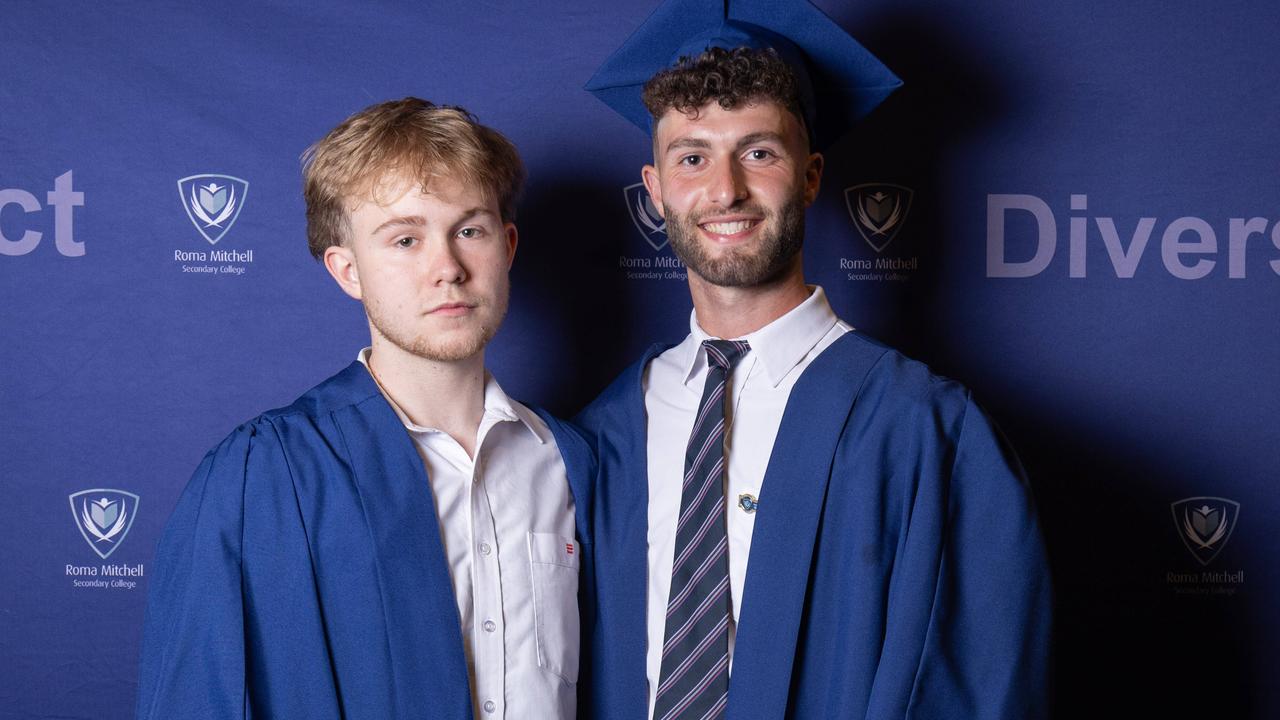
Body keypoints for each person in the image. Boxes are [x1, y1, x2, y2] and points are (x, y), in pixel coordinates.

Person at [577, 1, 1051, 718]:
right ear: (655, 189)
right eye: (693, 156)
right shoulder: (601, 436)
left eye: (759, 152)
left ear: (811, 175)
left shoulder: (924, 430)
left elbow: (976, 689)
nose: (726, 189)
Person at [135, 98, 592, 720]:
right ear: (347, 270)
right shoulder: (263, 476)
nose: (447, 269)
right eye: (405, 239)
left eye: (469, 230)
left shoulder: (573, 464)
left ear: (506, 247)